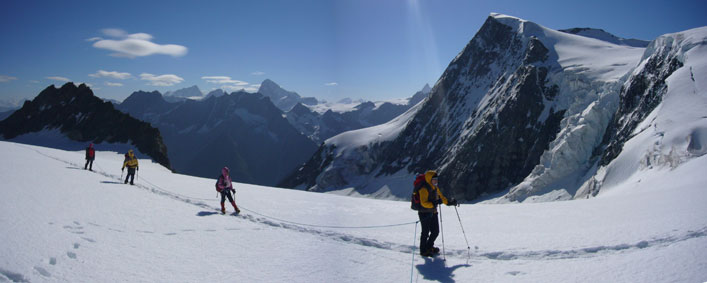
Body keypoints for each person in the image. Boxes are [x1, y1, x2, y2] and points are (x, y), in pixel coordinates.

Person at [416, 170, 457, 257]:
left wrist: (449, 203)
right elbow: (424, 203)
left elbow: (441, 197)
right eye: (434, 180)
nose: (436, 181)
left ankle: (429, 247)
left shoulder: (435, 188)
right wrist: (435, 203)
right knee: (425, 232)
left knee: (435, 231)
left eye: (436, 180)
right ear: (429, 179)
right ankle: (423, 250)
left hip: (433, 212)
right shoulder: (423, 189)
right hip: (424, 213)